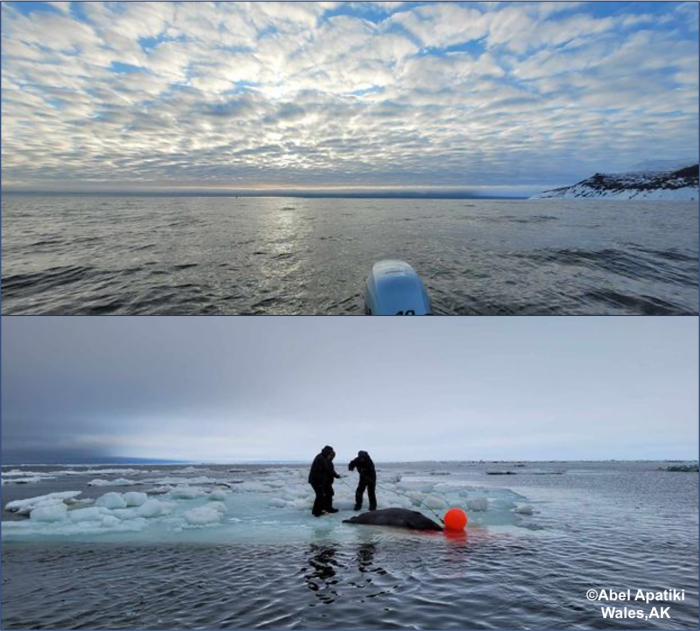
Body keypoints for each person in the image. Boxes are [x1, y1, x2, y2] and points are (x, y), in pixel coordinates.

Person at [308, 446, 340, 516]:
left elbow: (330, 470)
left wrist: (336, 475)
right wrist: (320, 483)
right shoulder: (321, 459)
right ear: (327, 452)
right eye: (331, 454)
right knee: (320, 495)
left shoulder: (325, 459)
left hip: (324, 481)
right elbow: (324, 471)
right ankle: (316, 511)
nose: (332, 456)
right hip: (317, 481)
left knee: (329, 493)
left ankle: (328, 508)